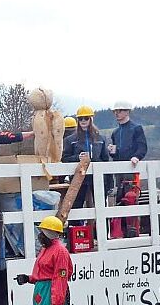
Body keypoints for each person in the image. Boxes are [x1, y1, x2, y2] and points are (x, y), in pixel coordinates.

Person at [108, 101, 147, 238]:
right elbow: (117, 154)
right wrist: (113, 152)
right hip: (119, 173)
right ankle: (122, 232)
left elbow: (142, 147)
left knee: (131, 198)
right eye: (115, 111)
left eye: (120, 110)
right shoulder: (115, 132)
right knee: (120, 199)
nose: (117, 113)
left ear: (127, 112)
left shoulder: (136, 129)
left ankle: (134, 230)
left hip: (131, 170)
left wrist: (136, 157)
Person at [62, 106, 112, 207]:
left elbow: (105, 160)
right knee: (76, 206)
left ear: (91, 119)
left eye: (86, 118)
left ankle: (103, 223)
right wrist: (77, 158)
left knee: (101, 205)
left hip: (97, 177)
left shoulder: (101, 138)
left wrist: (109, 182)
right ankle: (76, 223)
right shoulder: (70, 140)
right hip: (78, 177)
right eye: (80, 119)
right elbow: (64, 158)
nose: (83, 121)